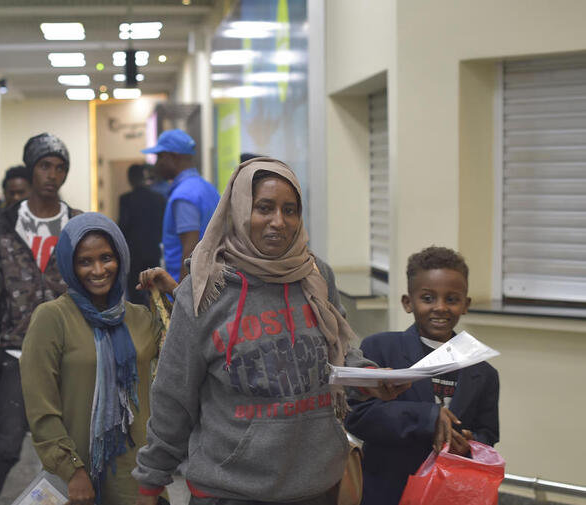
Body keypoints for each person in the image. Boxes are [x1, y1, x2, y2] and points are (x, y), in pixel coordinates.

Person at [132, 158, 406, 505]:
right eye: (264, 208)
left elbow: (338, 351)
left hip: (316, 487)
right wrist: (151, 482)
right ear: (240, 209)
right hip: (230, 491)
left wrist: (368, 377)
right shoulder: (205, 289)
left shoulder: (315, 275)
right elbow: (174, 396)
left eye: (290, 210)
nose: (279, 221)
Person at [0, 132, 82, 505]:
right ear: (31, 169)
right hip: (17, 354)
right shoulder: (5, 226)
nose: (53, 175)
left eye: (60, 168)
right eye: (45, 166)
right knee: (6, 446)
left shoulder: (77, 224)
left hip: (70, 353)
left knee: (78, 447)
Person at [20, 213, 168, 505]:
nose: (98, 270)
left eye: (106, 258)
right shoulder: (52, 318)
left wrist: (172, 290)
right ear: (70, 265)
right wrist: (72, 470)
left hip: (139, 479)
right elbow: (41, 407)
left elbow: (189, 349)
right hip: (78, 481)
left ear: (120, 258)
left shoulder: (140, 318)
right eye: (85, 261)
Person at [344, 246, 500, 505]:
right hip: (387, 492)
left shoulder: (483, 372)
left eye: (452, 299)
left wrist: (469, 445)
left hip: (448, 495)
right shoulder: (380, 349)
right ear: (408, 302)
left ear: (466, 304)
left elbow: (488, 434)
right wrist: (427, 418)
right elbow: (358, 417)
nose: (440, 307)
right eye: (428, 298)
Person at [142, 129, 220, 282]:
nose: (157, 164)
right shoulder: (207, 188)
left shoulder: (184, 195)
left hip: (189, 286)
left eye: (160, 157)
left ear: (173, 157)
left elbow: (189, 252)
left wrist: (181, 293)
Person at [118, 164, 166, 306]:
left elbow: (123, 226)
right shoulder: (159, 198)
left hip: (134, 254)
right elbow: (162, 225)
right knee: (155, 292)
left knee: (135, 293)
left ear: (130, 179)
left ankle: (140, 318)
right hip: (153, 251)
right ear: (143, 177)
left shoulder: (126, 199)